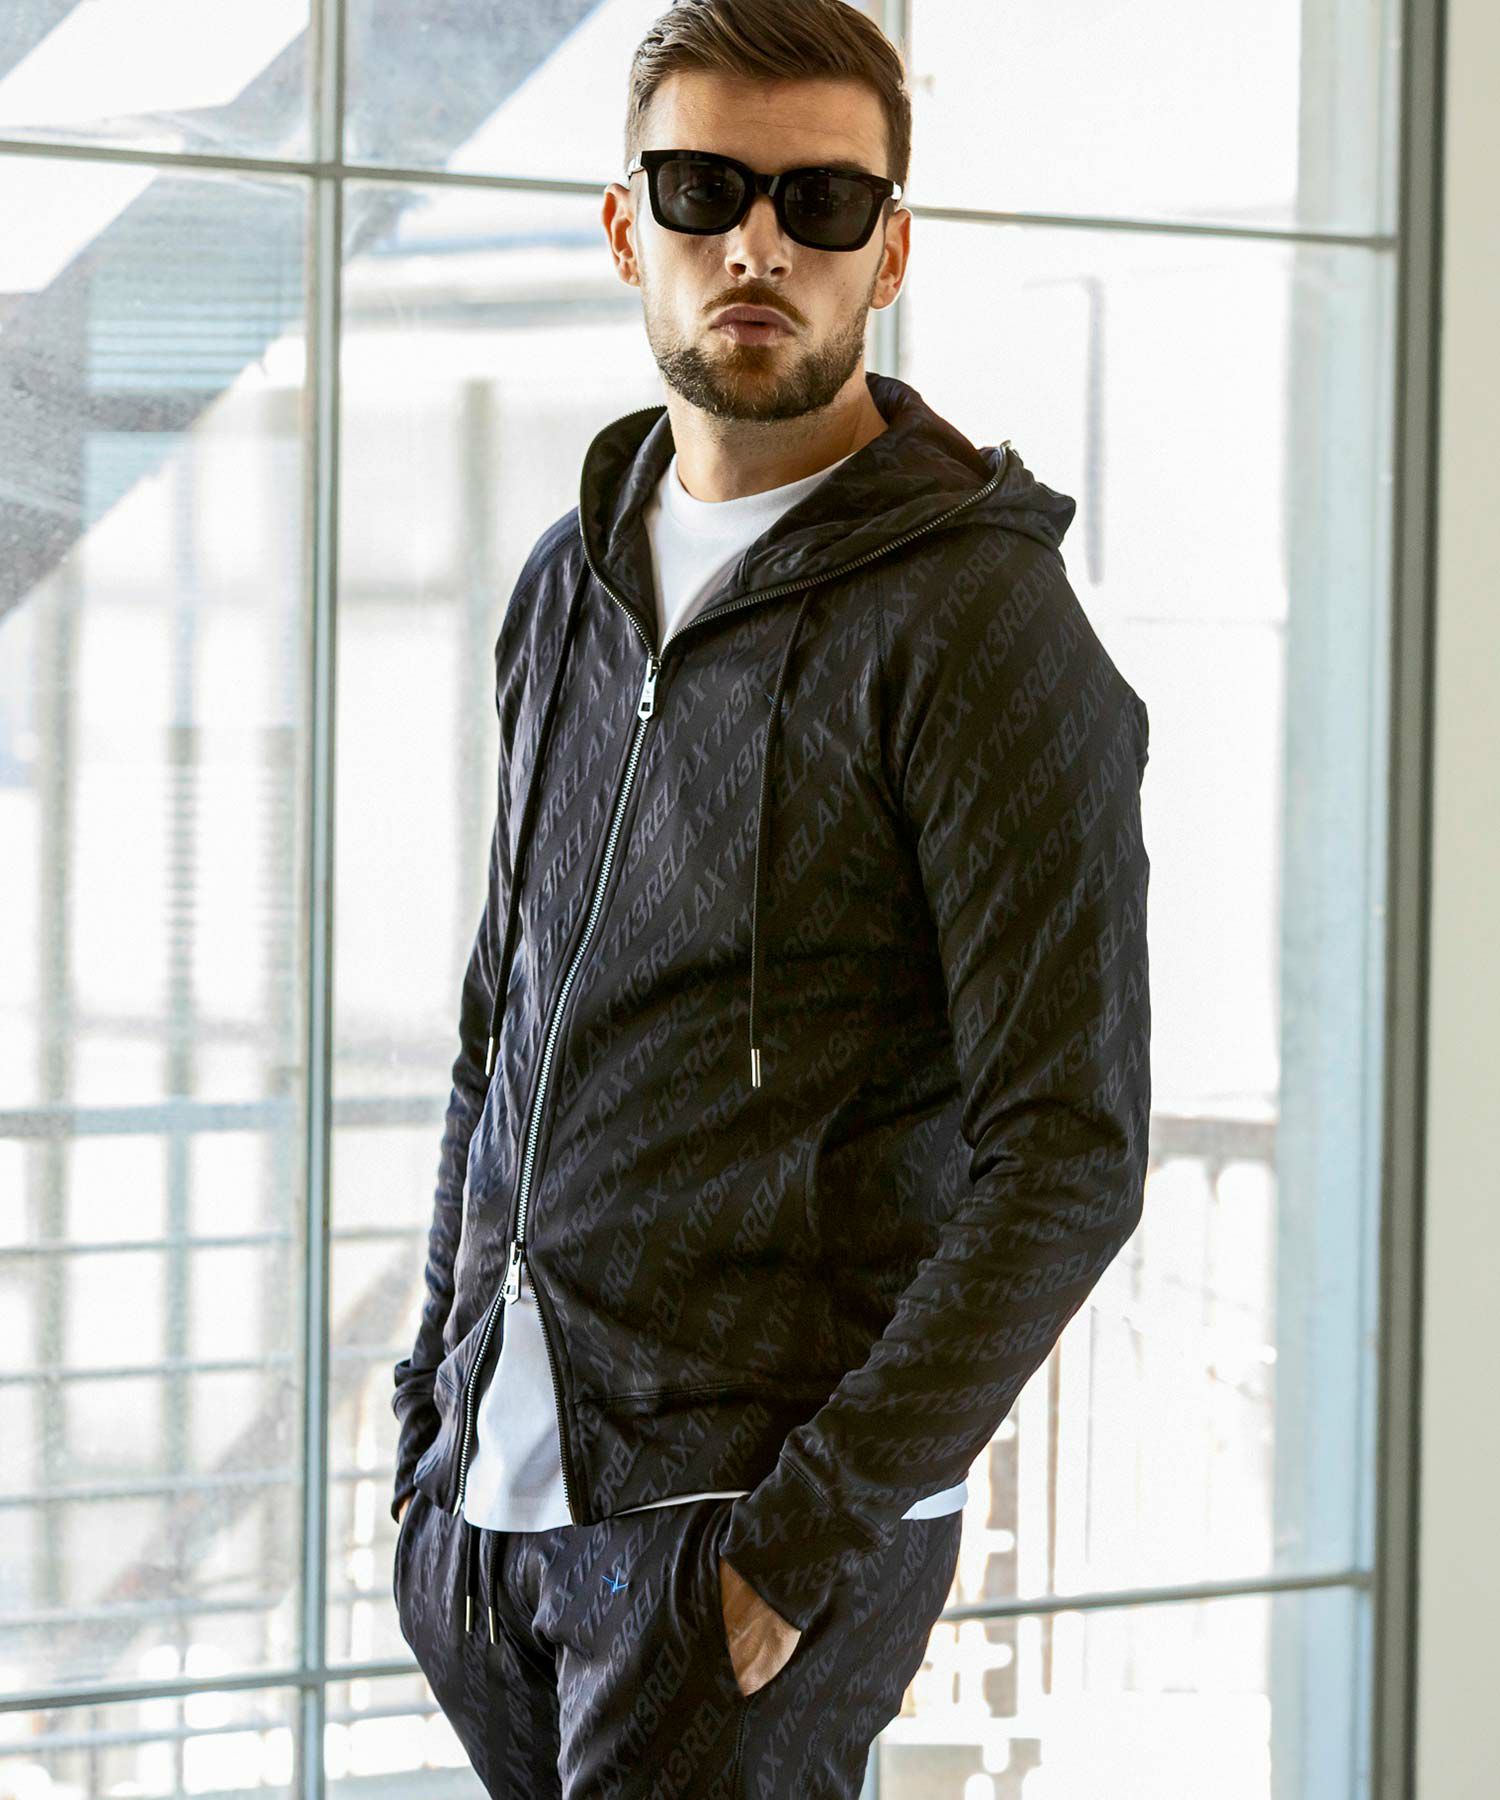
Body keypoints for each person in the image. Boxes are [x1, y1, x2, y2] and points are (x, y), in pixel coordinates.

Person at [389, 2, 1152, 1794]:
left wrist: (797, 1546)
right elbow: (499, 1027)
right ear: (625, 228)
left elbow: (1071, 1151)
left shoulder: (978, 624)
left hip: (745, 1539)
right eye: (703, 189)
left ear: (889, 250)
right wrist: (425, 1415)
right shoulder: (565, 588)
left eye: (820, 201)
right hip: (497, 1506)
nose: (756, 244)